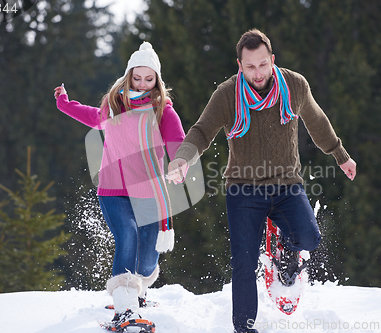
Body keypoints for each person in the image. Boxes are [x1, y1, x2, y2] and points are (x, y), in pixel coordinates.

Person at [167, 29, 356, 333]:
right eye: (250, 66)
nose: (258, 73)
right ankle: (244, 327)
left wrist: (340, 154)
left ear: (272, 60)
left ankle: (283, 246)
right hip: (243, 190)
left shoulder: (295, 85)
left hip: (286, 185)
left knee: (309, 238)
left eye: (263, 65)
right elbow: (201, 132)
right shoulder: (227, 94)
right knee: (244, 262)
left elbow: (317, 121)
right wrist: (181, 159)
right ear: (239, 65)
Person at [54, 42, 185, 330]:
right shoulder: (113, 107)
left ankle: (138, 289)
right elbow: (90, 116)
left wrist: (179, 165)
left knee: (149, 253)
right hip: (112, 190)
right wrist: (65, 103)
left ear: (157, 81)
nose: (142, 84)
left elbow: (178, 144)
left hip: (149, 191)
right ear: (128, 76)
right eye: (136, 78)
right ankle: (124, 310)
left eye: (148, 79)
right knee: (127, 237)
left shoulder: (163, 111)